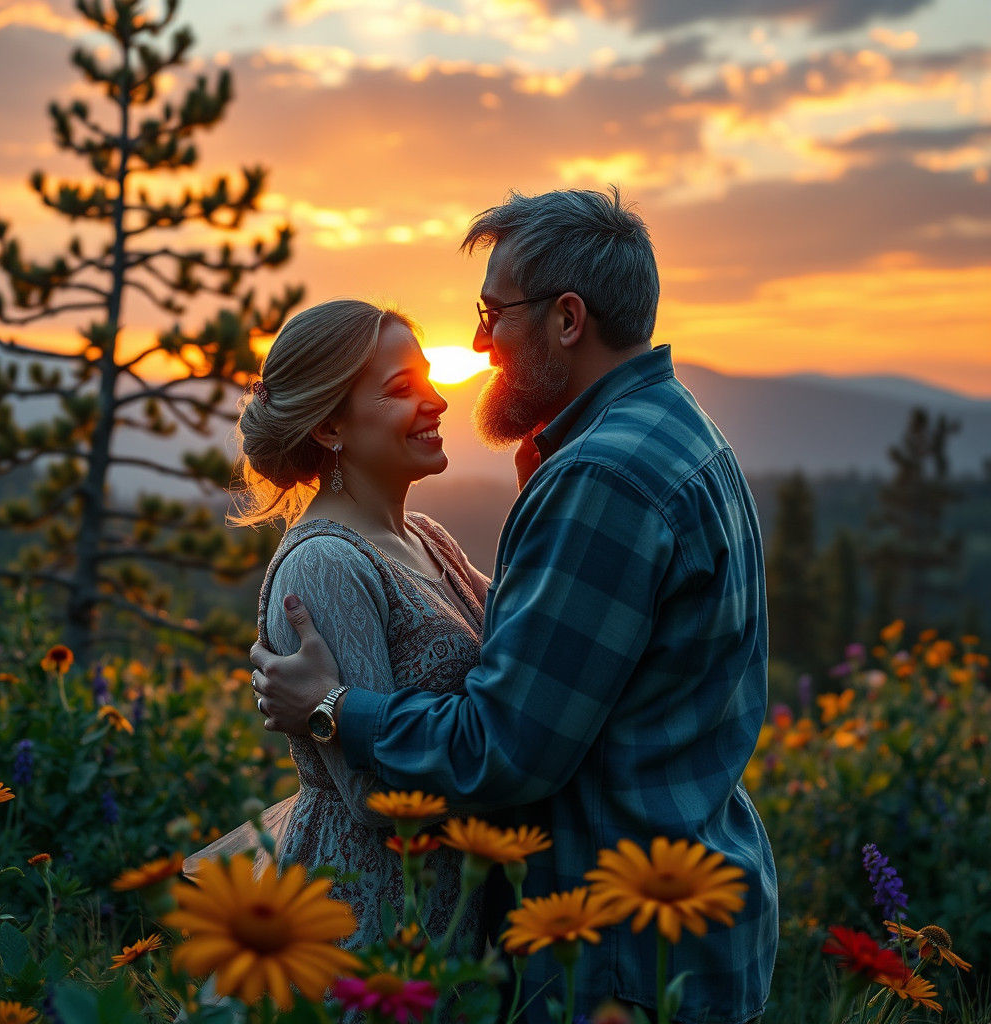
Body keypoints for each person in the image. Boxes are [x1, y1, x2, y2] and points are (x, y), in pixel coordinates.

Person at [250, 188, 779, 1023]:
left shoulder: (601, 481)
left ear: (568, 320)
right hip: (661, 915)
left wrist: (331, 711)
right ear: (330, 427)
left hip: (612, 949)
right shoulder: (677, 431)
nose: (477, 342)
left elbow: (503, 749)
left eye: (494, 313)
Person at [200, 298, 490, 950]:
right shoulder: (325, 564)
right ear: (330, 426)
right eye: (401, 390)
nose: (437, 402)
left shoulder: (429, 539)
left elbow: (525, 647)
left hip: (444, 916)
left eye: (429, 380)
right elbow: (373, 796)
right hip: (370, 921)